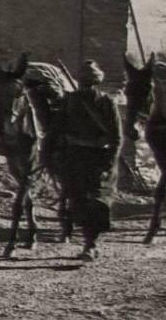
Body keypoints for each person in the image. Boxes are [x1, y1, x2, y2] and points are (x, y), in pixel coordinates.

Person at [57, 60, 122, 261]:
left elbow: (116, 137)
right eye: (83, 80)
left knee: (96, 202)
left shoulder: (106, 102)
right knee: (78, 201)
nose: (85, 84)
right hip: (75, 159)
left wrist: (109, 162)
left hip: (98, 159)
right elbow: (58, 130)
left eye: (89, 81)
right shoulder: (69, 101)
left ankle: (90, 245)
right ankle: (88, 243)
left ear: (95, 82)